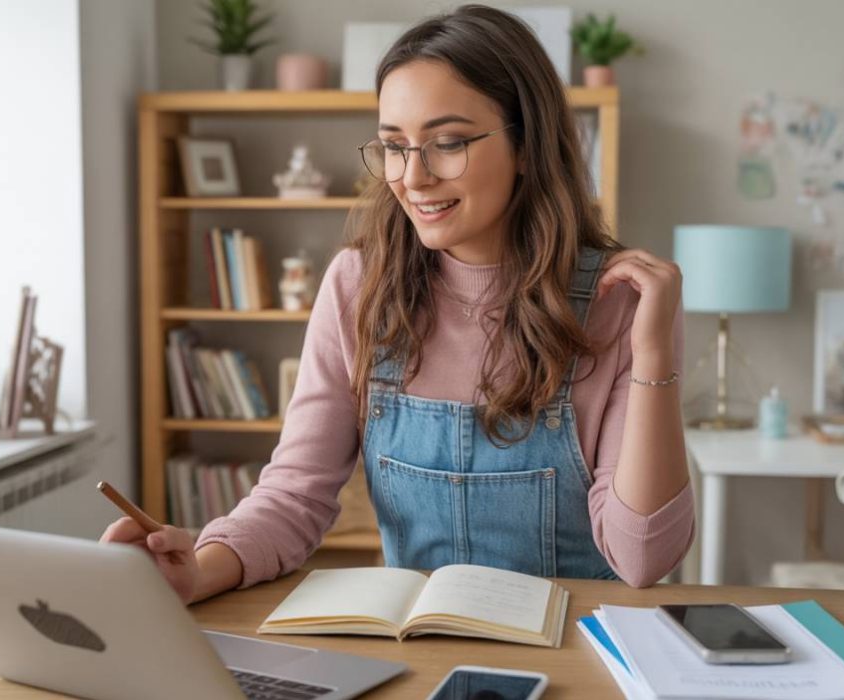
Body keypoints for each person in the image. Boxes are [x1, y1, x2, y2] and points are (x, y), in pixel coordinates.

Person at [101, 4, 694, 603]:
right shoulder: (358, 286)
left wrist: (652, 352)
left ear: (526, 145)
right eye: (394, 146)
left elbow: (642, 556)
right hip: (420, 651)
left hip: (578, 653)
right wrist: (202, 568)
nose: (413, 177)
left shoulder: (623, 302)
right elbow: (294, 495)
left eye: (448, 142)